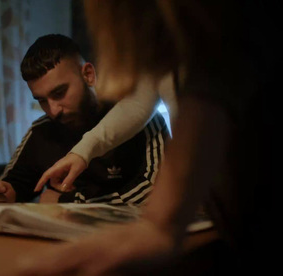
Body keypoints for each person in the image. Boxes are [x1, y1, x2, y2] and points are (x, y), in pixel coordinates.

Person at [15, 0, 280, 275]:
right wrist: (82, 152)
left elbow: (212, 90)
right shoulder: (168, 41)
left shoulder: (229, 29)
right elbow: (141, 101)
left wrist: (161, 224)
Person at [0, 34, 170, 205]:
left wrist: (69, 201)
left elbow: (157, 191)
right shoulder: (42, 131)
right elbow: (16, 182)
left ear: (88, 75)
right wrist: (4, 194)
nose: (53, 110)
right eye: (42, 100)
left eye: (60, 93)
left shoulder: (138, 119)